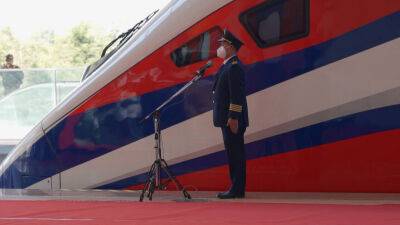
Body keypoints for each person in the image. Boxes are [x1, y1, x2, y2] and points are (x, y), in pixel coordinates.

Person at [212, 29, 249, 199]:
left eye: (223, 44)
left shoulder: (234, 67)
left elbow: (237, 95)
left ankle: (237, 189)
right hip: (227, 119)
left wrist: (233, 117)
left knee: (236, 154)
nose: (220, 47)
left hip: (231, 120)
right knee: (233, 153)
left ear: (230, 46)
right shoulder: (227, 65)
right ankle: (235, 188)